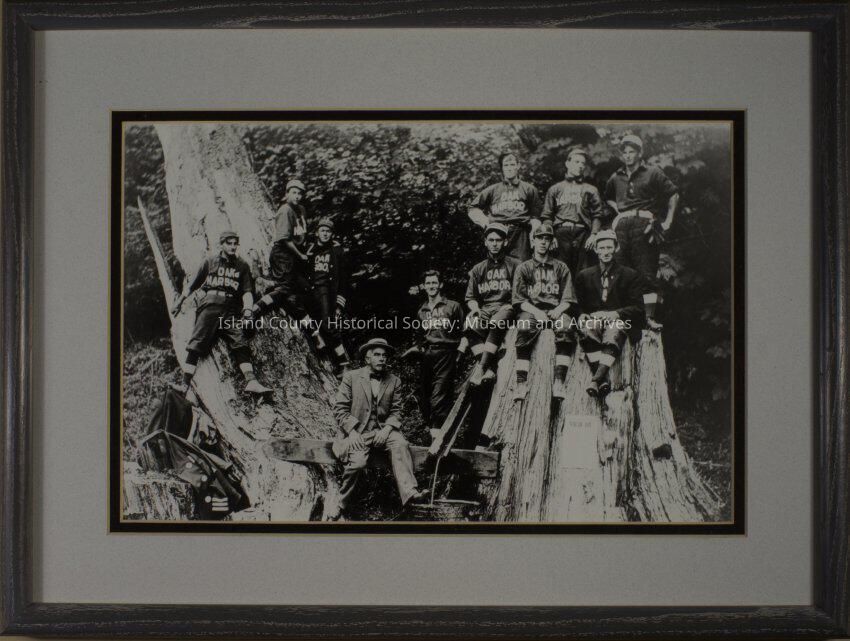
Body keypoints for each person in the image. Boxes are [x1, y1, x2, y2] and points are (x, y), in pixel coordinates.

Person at [328, 338, 428, 520]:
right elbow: (340, 408)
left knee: (401, 444)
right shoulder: (351, 377)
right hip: (358, 432)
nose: (382, 358)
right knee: (357, 464)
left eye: (384, 355)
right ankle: (341, 503)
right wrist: (352, 432)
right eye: (377, 355)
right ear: (367, 359)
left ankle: (411, 493)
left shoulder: (394, 381)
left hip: (383, 430)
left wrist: (387, 429)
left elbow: (397, 410)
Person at [171, 230, 272, 396]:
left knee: (240, 340)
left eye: (235, 243)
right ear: (221, 244)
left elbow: (247, 291)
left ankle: (252, 382)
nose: (232, 246)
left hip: (230, 309)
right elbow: (192, 284)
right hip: (210, 305)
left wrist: (247, 310)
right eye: (228, 243)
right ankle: (184, 385)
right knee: (196, 343)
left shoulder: (242, 265)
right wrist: (180, 301)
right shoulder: (210, 261)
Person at [604, 134, 679, 330]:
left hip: (644, 224)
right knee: (620, 271)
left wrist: (668, 222)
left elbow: (673, 194)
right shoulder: (615, 177)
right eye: (625, 152)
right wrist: (618, 210)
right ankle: (622, 318)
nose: (628, 155)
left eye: (632, 151)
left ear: (640, 153)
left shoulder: (652, 172)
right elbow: (608, 197)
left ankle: (648, 318)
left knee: (646, 273)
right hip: (621, 226)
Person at [251, 179, 324, 346]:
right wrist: (301, 255)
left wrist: (305, 252)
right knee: (285, 290)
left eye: (300, 193)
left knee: (297, 294)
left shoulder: (301, 210)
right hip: (283, 255)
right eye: (294, 192)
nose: (297, 196)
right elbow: (284, 239)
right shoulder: (285, 210)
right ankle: (255, 310)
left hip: (295, 257)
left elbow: (301, 236)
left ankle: (314, 333)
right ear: (287, 194)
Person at [575, 230, 645, 397]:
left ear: (616, 248)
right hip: (595, 321)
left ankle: (596, 380)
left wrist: (614, 313)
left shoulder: (630, 275)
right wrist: (581, 314)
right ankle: (602, 380)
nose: (605, 252)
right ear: (596, 250)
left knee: (614, 330)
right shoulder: (584, 275)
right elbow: (577, 303)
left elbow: (638, 308)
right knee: (588, 329)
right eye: (601, 248)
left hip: (620, 320)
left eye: (609, 247)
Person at [511, 222, 577, 401]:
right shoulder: (524, 267)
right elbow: (519, 300)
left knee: (566, 326)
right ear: (533, 241)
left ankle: (559, 381)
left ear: (551, 242)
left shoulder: (560, 267)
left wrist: (559, 309)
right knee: (524, 326)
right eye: (539, 238)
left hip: (555, 310)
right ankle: (521, 382)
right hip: (532, 310)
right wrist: (537, 312)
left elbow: (568, 298)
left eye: (547, 239)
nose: (543, 242)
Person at [405, 270, 465, 439]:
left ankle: (437, 438)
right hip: (428, 355)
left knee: (440, 394)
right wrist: (418, 349)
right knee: (424, 396)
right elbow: (419, 336)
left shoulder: (453, 306)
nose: (431, 286)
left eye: (434, 283)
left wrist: (460, 354)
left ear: (440, 285)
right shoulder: (422, 310)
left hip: (447, 353)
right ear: (423, 286)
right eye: (428, 283)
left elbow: (464, 333)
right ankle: (436, 431)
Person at [463, 222, 520, 386]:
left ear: (505, 242)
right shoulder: (478, 269)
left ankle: (481, 368)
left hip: (506, 308)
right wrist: (475, 308)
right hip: (486, 309)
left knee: (497, 321)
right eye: (491, 240)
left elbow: (521, 292)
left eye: (498, 240)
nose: (494, 244)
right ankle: (491, 367)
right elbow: (471, 297)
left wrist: (513, 304)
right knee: (468, 325)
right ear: (485, 242)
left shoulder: (515, 265)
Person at [541, 145, 607, 277]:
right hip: (561, 234)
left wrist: (594, 234)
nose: (580, 166)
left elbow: (597, 214)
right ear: (567, 163)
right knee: (560, 272)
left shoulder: (590, 189)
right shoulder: (555, 189)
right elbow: (547, 215)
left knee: (583, 273)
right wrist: (550, 235)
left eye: (583, 163)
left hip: (583, 234)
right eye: (577, 162)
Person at [467, 152, 542, 261]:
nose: (509, 168)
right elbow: (473, 208)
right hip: (498, 232)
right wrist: (486, 223)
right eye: (506, 165)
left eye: (512, 164)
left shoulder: (529, 189)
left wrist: (534, 233)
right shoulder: (493, 190)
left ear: (518, 166)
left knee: (521, 265)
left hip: (520, 233)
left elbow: (536, 216)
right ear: (502, 168)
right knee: (498, 264)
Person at [306, 217, 351, 370]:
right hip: (311, 291)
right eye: (322, 230)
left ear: (332, 234)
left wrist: (339, 304)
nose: (325, 234)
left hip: (327, 292)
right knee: (314, 323)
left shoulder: (337, 251)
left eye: (328, 231)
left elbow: (344, 278)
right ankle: (326, 356)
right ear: (317, 232)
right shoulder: (310, 250)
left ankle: (343, 363)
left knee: (328, 325)